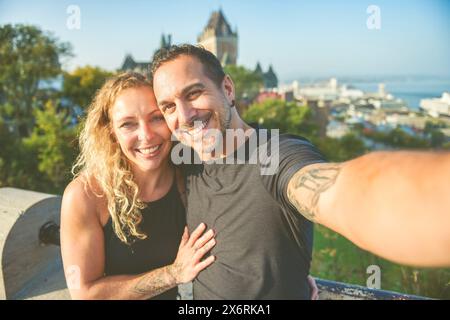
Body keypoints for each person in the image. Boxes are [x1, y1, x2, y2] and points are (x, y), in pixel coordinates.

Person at [149, 44, 450, 299]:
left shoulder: (274, 155)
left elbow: (347, 193)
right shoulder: (185, 161)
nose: (184, 116)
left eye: (193, 94)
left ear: (227, 89)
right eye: (168, 107)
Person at [60, 72, 216, 300]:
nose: (147, 135)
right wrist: (172, 274)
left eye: (156, 118)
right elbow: (86, 294)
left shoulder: (188, 177)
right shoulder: (86, 195)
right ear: (111, 132)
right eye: (128, 124)